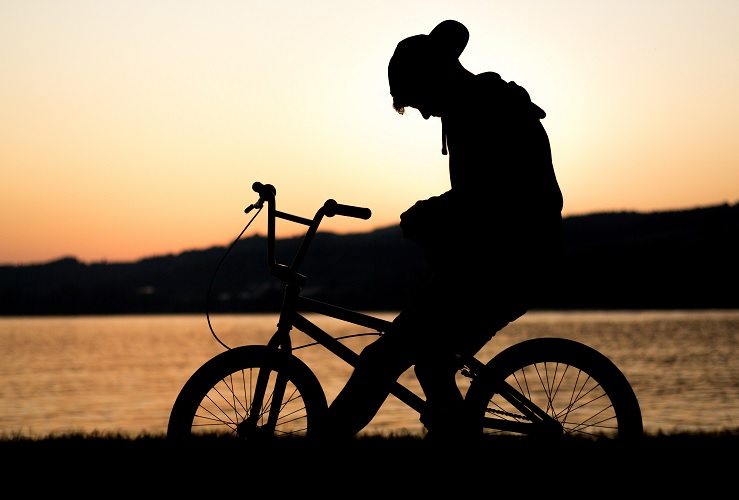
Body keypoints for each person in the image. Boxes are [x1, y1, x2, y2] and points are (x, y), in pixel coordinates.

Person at [320, 20, 563, 440]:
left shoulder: (481, 110)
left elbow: (492, 194)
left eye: (418, 100)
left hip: (508, 262)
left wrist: (430, 213)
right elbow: (485, 199)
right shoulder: (477, 104)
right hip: (505, 258)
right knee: (428, 361)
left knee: (390, 359)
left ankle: (321, 443)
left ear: (433, 77)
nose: (425, 112)